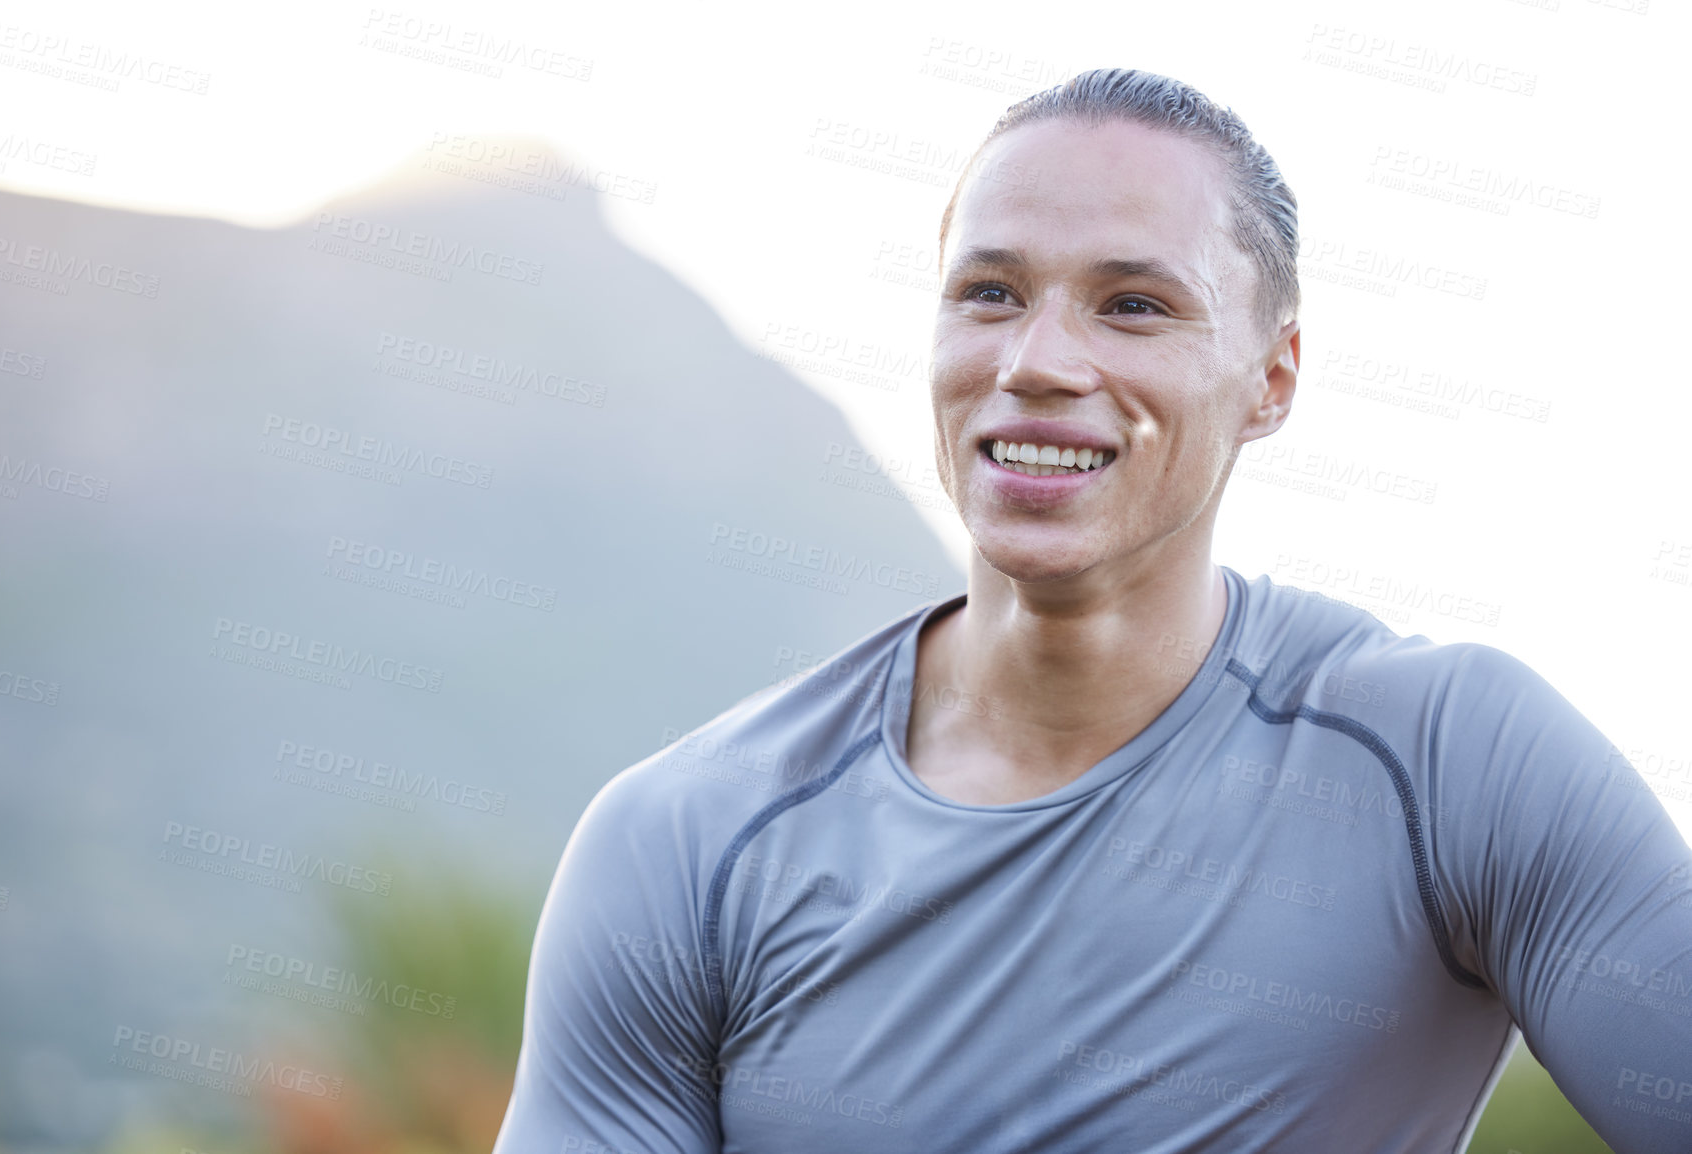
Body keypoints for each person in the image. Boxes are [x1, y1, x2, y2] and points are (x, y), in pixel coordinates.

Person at [493, 68, 1692, 1153]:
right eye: (992, 292)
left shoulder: (1452, 765)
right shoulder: (685, 841)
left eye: (1132, 306)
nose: (1038, 360)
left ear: (1272, 377)